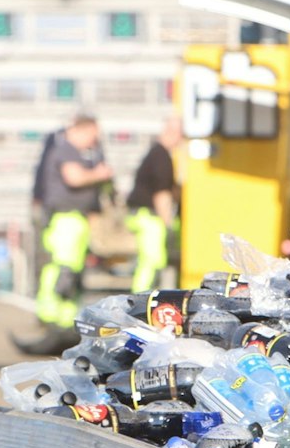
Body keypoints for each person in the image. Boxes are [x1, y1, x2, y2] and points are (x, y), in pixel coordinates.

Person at [33, 111, 113, 326]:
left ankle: (65, 320)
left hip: (75, 219)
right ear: (80, 130)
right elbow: (74, 177)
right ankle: (52, 318)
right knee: (64, 269)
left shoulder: (78, 153)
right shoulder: (66, 150)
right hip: (65, 219)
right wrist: (100, 174)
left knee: (71, 271)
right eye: (92, 134)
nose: (95, 140)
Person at [125, 116, 183, 292]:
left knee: (149, 261)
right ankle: (141, 300)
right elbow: (161, 194)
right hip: (149, 217)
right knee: (152, 261)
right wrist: (168, 225)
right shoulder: (162, 157)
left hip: (142, 215)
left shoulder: (156, 153)